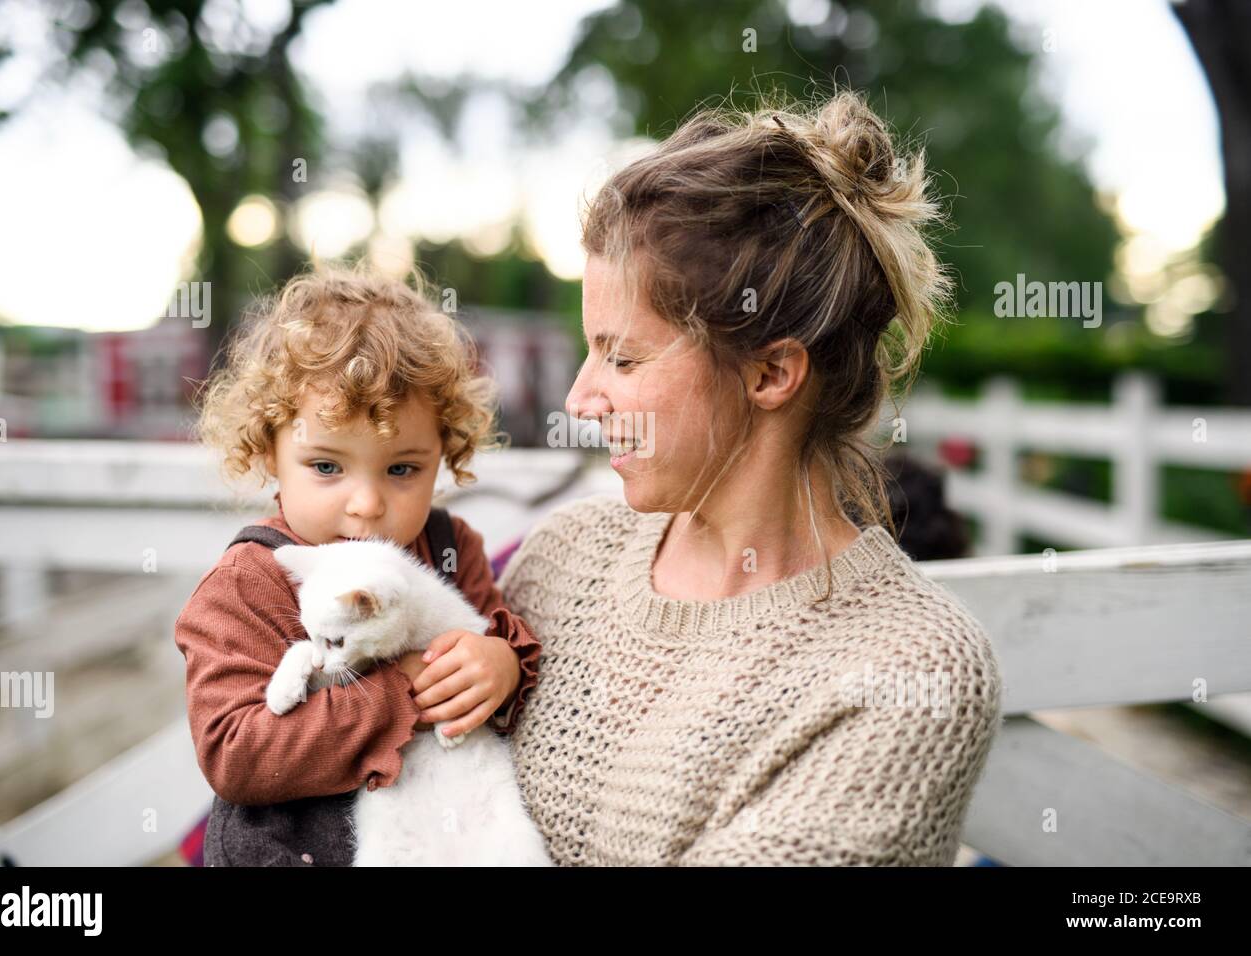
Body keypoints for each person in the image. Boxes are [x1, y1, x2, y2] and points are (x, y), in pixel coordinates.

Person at [495, 88, 1005, 866]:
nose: (579, 399)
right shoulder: (561, 562)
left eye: (623, 357)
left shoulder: (910, 670)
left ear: (770, 374)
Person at [174, 262, 541, 866]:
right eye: (326, 467)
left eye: (402, 469)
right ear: (269, 449)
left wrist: (500, 666)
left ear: (443, 454)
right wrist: (405, 694)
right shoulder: (247, 583)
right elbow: (235, 753)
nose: (367, 504)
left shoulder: (450, 547)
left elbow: (504, 651)